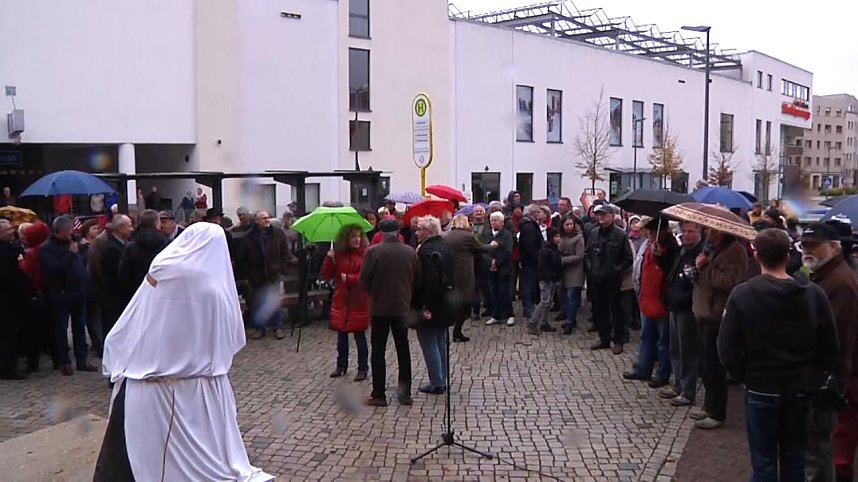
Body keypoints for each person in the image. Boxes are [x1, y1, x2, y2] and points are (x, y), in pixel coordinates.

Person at [94, 223, 273, 482]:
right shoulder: (213, 287)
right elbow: (231, 337)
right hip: (202, 384)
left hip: (159, 380)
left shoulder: (168, 273)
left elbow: (143, 316)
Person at [718, 228, 838, 482]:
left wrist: (743, 374)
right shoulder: (813, 294)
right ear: (787, 255)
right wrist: (815, 375)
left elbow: (727, 348)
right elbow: (830, 345)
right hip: (799, 387)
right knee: (795, 458)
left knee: (764, 462)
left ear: (756, 256)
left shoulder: (742, 295)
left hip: (762, 386)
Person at [796, 223, 858, 481]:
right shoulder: (823, 275)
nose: (807, 252)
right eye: (805, 246)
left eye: (814, 246)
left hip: (826, 378)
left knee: (820, 446)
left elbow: (835, 338)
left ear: (833, 248)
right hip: (821, 374)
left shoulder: (840, 283)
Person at [690, 227, 748, 429]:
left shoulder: (735, 251)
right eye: (706, 230)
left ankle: (717, 412)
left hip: (717, 315)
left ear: (722, 231)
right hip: (703, 311)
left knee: (715, 366)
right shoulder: (713, 248)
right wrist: (697, 269)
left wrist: (706, 267)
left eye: (712, 230)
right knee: (706, 365)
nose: (707, 233)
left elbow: (732, 282)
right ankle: (708, 404)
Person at [360, 218, 420, 407]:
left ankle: (379, 394)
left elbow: (364, 280)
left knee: (378, 351)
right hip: (402, 307)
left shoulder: (373, 252)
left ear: (381, 233)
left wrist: (375, 291)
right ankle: (405, 393)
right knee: (403, 350)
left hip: (380, 308)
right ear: (398, 232)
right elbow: (417, 279)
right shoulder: (410, 252)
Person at [39, 215, 96, 376]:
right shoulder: (47, 248)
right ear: (60, 231)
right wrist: (70, 255)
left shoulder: (74, 242)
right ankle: (64, 362)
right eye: (69, 230)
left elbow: (81, 262)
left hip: (78, 292)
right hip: (61, 294)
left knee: (80, 327)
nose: (72, 233)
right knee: (61, 329)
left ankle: (82, 360)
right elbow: (53, 269)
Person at [623, 220, 678, 386]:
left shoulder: (671, 247)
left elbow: (672, 272)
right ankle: (643, 368)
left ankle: (662, 374)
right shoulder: (649, 245)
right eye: (648, 231)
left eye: (652, 231)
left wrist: (661, 257)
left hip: (661, 300)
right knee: (646, 336)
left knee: (663, 341)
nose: (649, 234)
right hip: (647, 297)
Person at [660, 221, 704, 407]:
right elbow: (670, 272)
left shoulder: (700, 254)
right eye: (684, 231)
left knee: (688, 351)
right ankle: (678, 384)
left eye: (691, 231)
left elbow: (697, 283)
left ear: (699, 232)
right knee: (675, 349)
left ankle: (688, 390)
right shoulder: (681, 251)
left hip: (687, 307)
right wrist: (659, 257)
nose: (687, 234)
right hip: (674, 305)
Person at [320, 225, 370, 381]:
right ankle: (341, 365)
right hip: (342, 300)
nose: (357, 239)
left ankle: (363, 368)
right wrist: (329, 259)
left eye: (359, 236)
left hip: (358, 300)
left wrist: (349, 278)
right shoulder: (338, 255)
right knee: (341, 337)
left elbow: (366, 276)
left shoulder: (365, 255)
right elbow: (326, 275)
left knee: (360, 337)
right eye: (353, 237)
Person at [412, 216, 455, 395]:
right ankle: (442, 378)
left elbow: (428, 282)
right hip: (445, 301)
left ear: (429, 232)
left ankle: (437, 382)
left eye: (420, 229)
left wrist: (424, 306)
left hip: (431, 303)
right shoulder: (446, 246)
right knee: (440, 341)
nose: (416, 232)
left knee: (429, 342)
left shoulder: (426, 252)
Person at [586, 204, 634, 354]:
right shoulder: (594, 233)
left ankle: (619, 340)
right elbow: (587, 254)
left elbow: (628, 258)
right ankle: (604, 338)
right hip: (596, 279)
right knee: (600, 310)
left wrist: (616, 270)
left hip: (613, 280)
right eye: (599, 215)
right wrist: (591, 269)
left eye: (604, 215)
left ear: (612, 217)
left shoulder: (620, 235)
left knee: (616, 311)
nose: (601, 218)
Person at [242, 211, 290, 340]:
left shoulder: (278, 234)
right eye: (263, 218)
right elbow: (244, 258)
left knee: (274, 301)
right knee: (257, 302)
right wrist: (247, 275)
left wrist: (281, 268)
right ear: (257, 221)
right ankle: (259, 328)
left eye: (268, 217)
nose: (267, 220)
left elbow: (285, 253)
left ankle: (278, 327)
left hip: (274, 273)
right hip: (257, 274)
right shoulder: (250, 237)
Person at [19, 222, 55, 372]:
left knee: (33, 331)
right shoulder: (49, 251)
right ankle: (57, 359)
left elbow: (28, 273)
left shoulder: (32, 254)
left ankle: (33, 363)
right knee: (50, 329)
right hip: (49, 293)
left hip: (36, 295)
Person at [445, 214, 483, 342]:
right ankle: (457, 330)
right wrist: (493, 246)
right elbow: (479, 248)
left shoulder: (447, 235)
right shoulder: (467, 236)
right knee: (465, 303)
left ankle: (454, 328)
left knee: (455, 301)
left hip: (451, 272)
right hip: (464, 273)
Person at [0, 217, 29, 379]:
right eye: (8, 229)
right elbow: (7, 276)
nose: (12, 231)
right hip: (6, 300)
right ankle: (8, 368)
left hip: (13, 299)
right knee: (7, 336)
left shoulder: (10, 247)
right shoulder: (5, 252)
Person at [119, 210, 168, 303]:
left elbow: (123, 274)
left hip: (136, 294)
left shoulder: (131, 247)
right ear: (156, 224)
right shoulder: (166, 245)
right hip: (159, 294)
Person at [99, 215, 133, 338]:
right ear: (119, 228)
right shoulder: (112, 249)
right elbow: (117, 276)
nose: (132, 229)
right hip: (115, 299)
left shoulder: (125, 245)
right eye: (129, 226)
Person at [77, 219, 104, 357]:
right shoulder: (81, 248)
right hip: (89, 287)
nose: (97, 230)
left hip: (100, 286)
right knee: (93, 317)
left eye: (98, 228)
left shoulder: (100, 245)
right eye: (94, 228)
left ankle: (99, 342)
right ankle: (99, 344)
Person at [482, 211, 515, 326]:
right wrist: (490, 261)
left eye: (496, 220)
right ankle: (496, 315)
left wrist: (497, 262)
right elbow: (483, 250)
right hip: (490, 269)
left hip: (504, 268)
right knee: (493, 292)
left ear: (502, 222)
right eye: (492, 220)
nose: (493, 222)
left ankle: (509, 314)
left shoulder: (507, 235)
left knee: (504, 292)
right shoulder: (486, 234)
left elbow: (508, 251)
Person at [528, 226, 562, 335]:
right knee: (544, 301)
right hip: (546, 279)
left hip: (553, 278)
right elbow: (542, 266)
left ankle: (544, 322)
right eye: (556, 236)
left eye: (559, 236)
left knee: (548, 302)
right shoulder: (546, 250)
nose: (558, 238)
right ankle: (533, 322)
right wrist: (547, 277)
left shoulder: (555, 248)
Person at [559, 215, 585, 334]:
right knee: (564, 295)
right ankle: (570, 317)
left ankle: (569, 322)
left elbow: (580, 256)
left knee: (571, 296)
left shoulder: (579, 238)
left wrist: (563, 260)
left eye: (571, 224)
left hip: (575, 271)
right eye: (567, 224)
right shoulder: (561, 237)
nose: (569, 227)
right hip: (563, 271)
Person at [518, 204, 544, 321]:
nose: (540, 214)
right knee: (528, 285)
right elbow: (530, 246)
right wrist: (536, 258)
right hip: (530, 261)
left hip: (528, 260)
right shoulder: (529, 226)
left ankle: (529, 307)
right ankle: (528, 308)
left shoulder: (527, 224)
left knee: (529, 284)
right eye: (538, 212)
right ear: (533, 213)